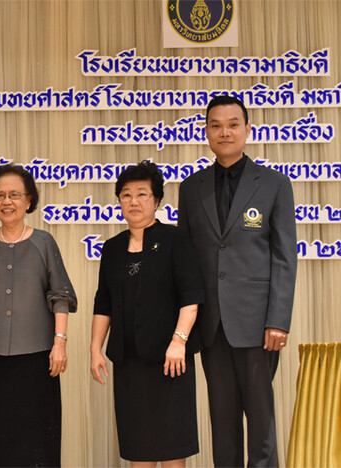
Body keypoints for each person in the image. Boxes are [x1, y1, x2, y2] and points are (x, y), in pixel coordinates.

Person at [177, 95, 298, 467]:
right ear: (207, 132)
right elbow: (186, 260)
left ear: (248, 130)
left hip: (258, 324)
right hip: (212, 326)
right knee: (222, 423)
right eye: (215, 125)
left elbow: (284, 256)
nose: (224, 131)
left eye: (232, 124)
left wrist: (278, 319)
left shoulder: (275, 184)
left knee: (261, 422)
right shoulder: (191, 187)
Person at [0, 164, 77, 467]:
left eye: (15, 195)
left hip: (39, 359)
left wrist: (60, 343)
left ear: (29, 200)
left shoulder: (44, 242)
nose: (7, 202)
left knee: (38, 440)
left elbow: (60, 296)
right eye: (0, 196)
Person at [90, 161, 204, 467]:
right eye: (126, 195)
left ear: (156, 200)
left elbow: (191, 295)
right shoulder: (112, 248)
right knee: (137, 448)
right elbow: (104, 302)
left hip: (170, 361)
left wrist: (179, 341)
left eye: (142, 194)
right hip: (129, 362)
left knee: (170, 447)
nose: (134, 202)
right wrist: (95, 349)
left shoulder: (174, 240)